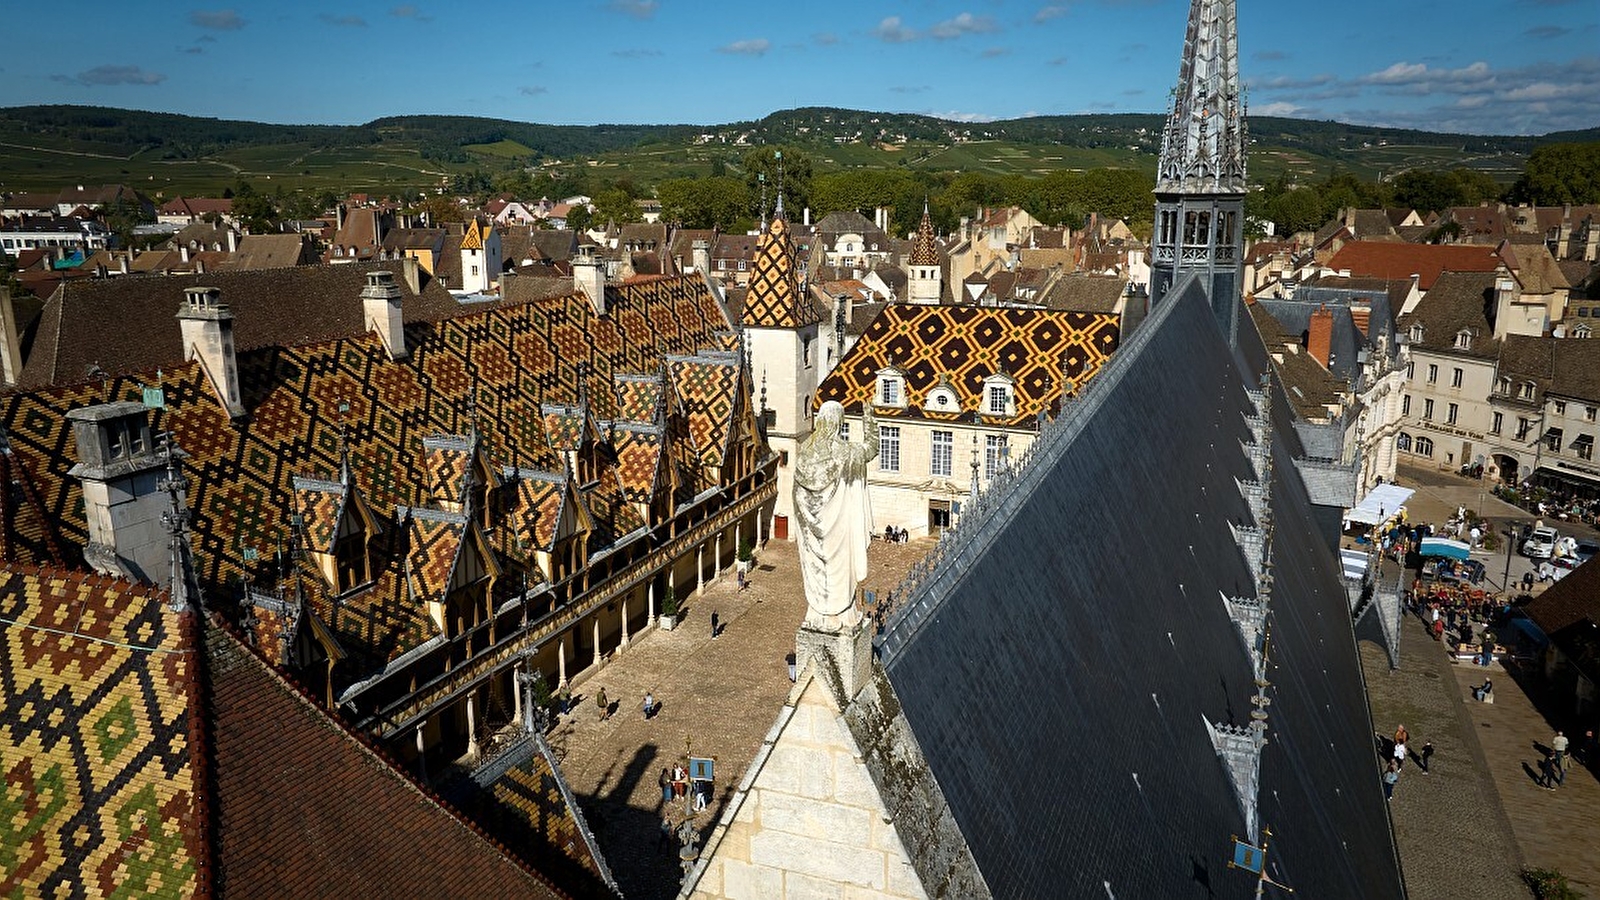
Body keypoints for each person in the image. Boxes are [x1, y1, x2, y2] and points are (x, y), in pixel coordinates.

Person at [793, 401, 879, 630]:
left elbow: (797, 498)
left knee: (816, 568)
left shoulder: (803, 456)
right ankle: (842, 613)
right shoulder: (845, 453)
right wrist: (869, 419)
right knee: (840, 566)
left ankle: (817, 611)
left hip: (811, 533)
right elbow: (871, 448)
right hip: (838, 531)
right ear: (839, 423)